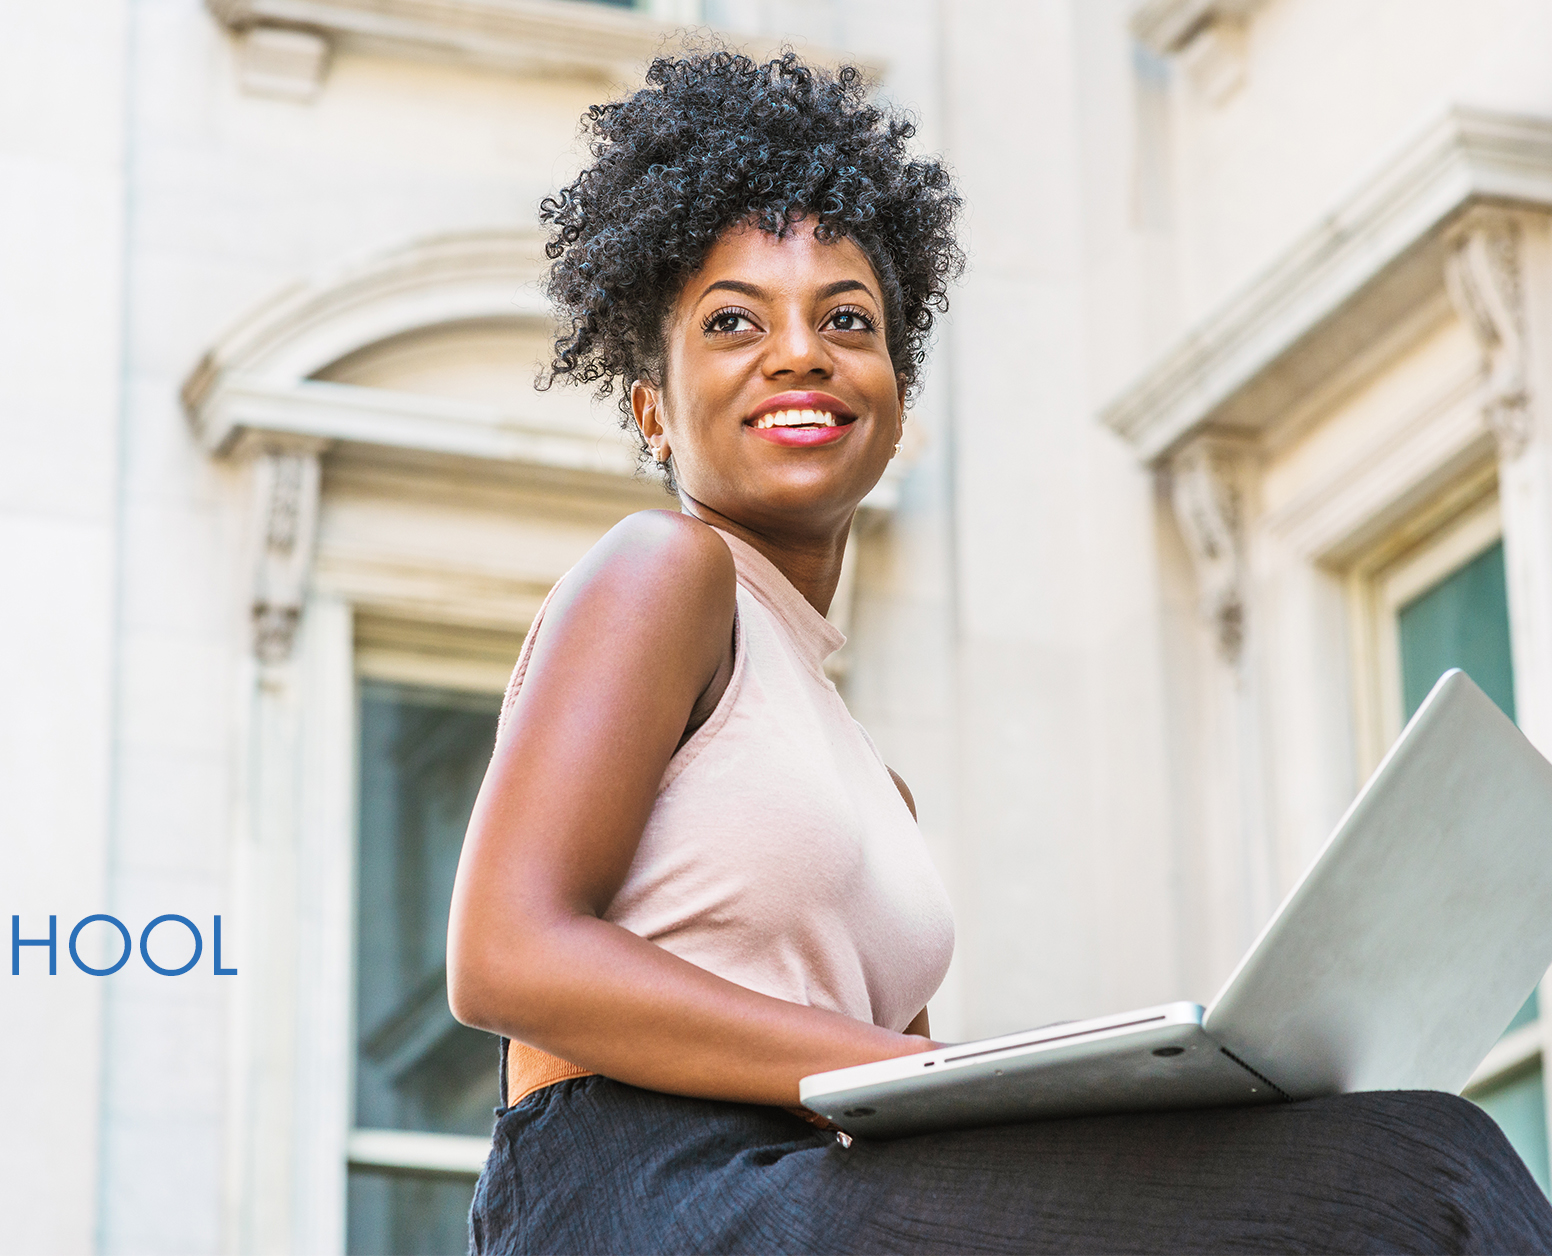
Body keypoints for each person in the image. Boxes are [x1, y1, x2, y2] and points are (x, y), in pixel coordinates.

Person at [444, 49, 1552, 1255]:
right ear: (653, 404)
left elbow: (904, 1134)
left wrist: (1138, 1091)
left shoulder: (873, 784)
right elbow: (505, 951)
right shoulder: (664, 571)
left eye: (848, 320)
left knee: (1342, 1170)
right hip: (644, 1197)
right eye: (732, 322)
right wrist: (906, 1066)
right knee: (1420, 1170)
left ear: (896, 394)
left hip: (818, 1187)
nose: (801, 352)